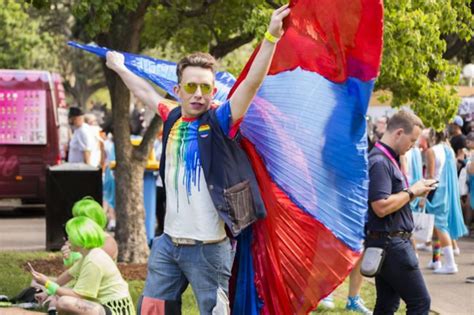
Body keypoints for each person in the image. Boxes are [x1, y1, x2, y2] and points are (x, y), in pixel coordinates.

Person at [105, 5, 290, 314]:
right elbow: (144, 92)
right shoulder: (172, 116)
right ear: (178, 90)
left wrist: (270, 37)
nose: (199, 94)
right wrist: (120, 68)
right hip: (168, 246)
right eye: (191, 86)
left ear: (214, 89)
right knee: (152, 309)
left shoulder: (221, 121)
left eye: (206, 87)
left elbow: (251, 84)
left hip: (209, 250)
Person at [366, 110, 435, 315]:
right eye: (411, 140)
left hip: (389, 242)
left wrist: (415, 192)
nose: (412, 146)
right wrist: (412, 191)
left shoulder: (387, 159)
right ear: (398, 133)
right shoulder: (380, 161)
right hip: (392, 244)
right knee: (420, 303)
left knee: (387, 305)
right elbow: (381, 206)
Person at [30, 217, 135, 315]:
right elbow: (68, 275)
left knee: (64, 302)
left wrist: (47, 283)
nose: (68, 240)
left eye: (70, 236)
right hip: (104, 305)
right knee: (62, 297)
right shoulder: (89, 254)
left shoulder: (93, 260)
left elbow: (77, 295)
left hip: (115, 310)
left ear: (79, 239)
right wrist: (46, 293)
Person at [422, 129, 467, 273]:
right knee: (437, 228)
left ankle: (450, 264)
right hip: (446, 191)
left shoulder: (431, 151)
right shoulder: (448, 150)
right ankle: (436, 260)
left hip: (436, 192)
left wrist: (423, 197)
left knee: (440, 227)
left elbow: (430, 176)